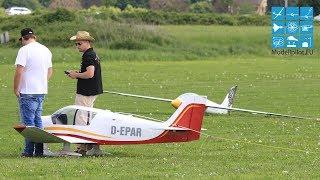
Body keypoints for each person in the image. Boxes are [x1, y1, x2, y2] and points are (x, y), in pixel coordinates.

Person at [14, 28, 53, 157]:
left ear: (24, 38)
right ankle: (39, 151)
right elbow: (50, 71)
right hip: (41, 91)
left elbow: (19, 71)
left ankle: (28, 151)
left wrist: (16, 88)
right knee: (38, 122)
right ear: (34, 37)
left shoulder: (24, 50)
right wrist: (42, 82)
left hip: (27, 91)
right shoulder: (45, 50)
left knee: (28, 124)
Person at [67, 31, 103, 156]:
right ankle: (89, 145)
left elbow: (90, 74)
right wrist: (78, 72)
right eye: (76, 44)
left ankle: (82, 147)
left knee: (81, 117)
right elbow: (89, 71)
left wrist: (75, 74)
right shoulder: (91, 54)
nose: (77, 46)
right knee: (87, 117)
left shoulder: (88, 55)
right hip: (92, 90)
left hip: (86, 91)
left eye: (79, 43)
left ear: (87, 42)